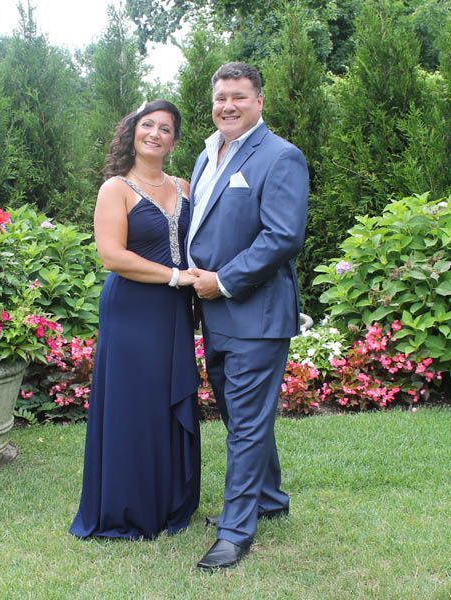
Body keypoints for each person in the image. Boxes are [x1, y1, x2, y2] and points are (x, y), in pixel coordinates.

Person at [187, 62, 309, 569]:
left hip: (255, 315)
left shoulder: (281, 156)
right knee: (244, 415)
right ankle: (271, 499)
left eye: (239, 96)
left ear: (259, 100)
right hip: (214, 313)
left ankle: (236, 532)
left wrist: (224, 280)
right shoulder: (207, 153)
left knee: (247, 422)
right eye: (221, 97)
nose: (228, 106)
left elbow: (283, 236)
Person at [69, 100, 201, 540]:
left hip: (174, 309)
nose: (156, 133)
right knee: (134, 405)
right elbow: (113, 256)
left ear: (174, 140)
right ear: (133, 132)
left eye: (166, 128)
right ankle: (128, 507)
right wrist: (176, 276)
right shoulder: (116, 189)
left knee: (169, 398)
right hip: (131, 310)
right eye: (148, 125)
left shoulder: (184, 185)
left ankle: (169, 502)